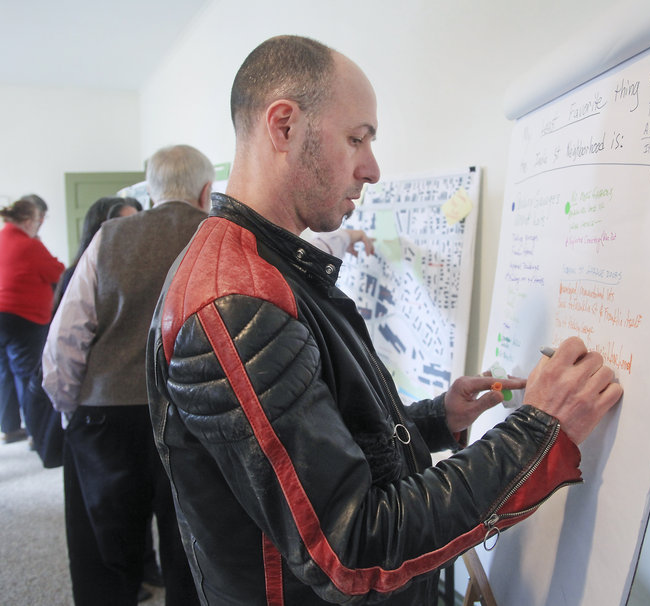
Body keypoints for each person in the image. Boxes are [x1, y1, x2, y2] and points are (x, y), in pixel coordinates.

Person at [147, 36, 623, 605]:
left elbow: (323, 443)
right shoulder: (236, 302)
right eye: (357, 139)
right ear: (283, 127)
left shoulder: (271, 268)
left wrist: (434, 420)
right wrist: (541, 431)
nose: (371, 168)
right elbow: (353, 548)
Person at [42, 145, 213, 606]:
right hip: (192, 415)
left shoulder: (109, 236)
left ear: (151, 192)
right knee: (194, 548)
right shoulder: (220, 236)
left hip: (106, 415)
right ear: (206, 190)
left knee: (103, 548)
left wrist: (67, 406)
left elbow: (68, 337)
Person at [0, 197, 64, 444]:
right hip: (23, 318)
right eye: (39, 220)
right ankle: (36, 434)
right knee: (28, 375)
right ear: (28, 221)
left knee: (4, 373)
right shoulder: (29, 245)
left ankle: (10, 428)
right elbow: (58, 271)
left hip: (3, 317)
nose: (40, 225)